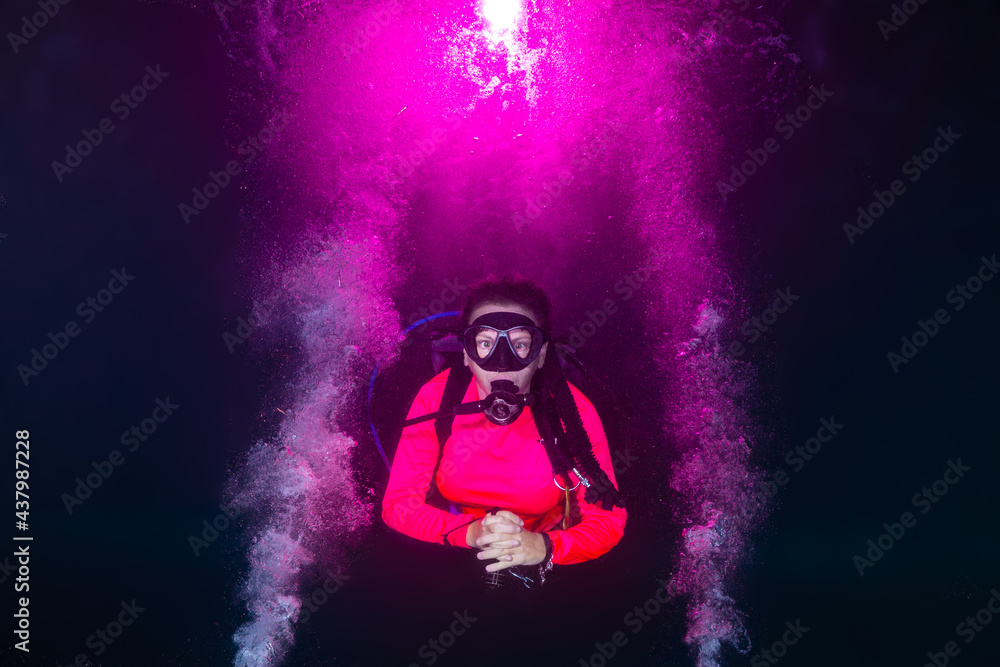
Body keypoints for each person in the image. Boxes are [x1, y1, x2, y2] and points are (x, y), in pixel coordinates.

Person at [381, 275, 627, 587]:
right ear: (467, 354)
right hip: (452, 547)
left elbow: (608, 519)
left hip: (546, 559)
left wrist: (542, 546)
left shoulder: (571, 414)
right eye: (485, 343)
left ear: (540, 356)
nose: (502, 364)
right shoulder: (437, 399)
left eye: (521, 344)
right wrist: (472, 532)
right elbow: (399, 503)